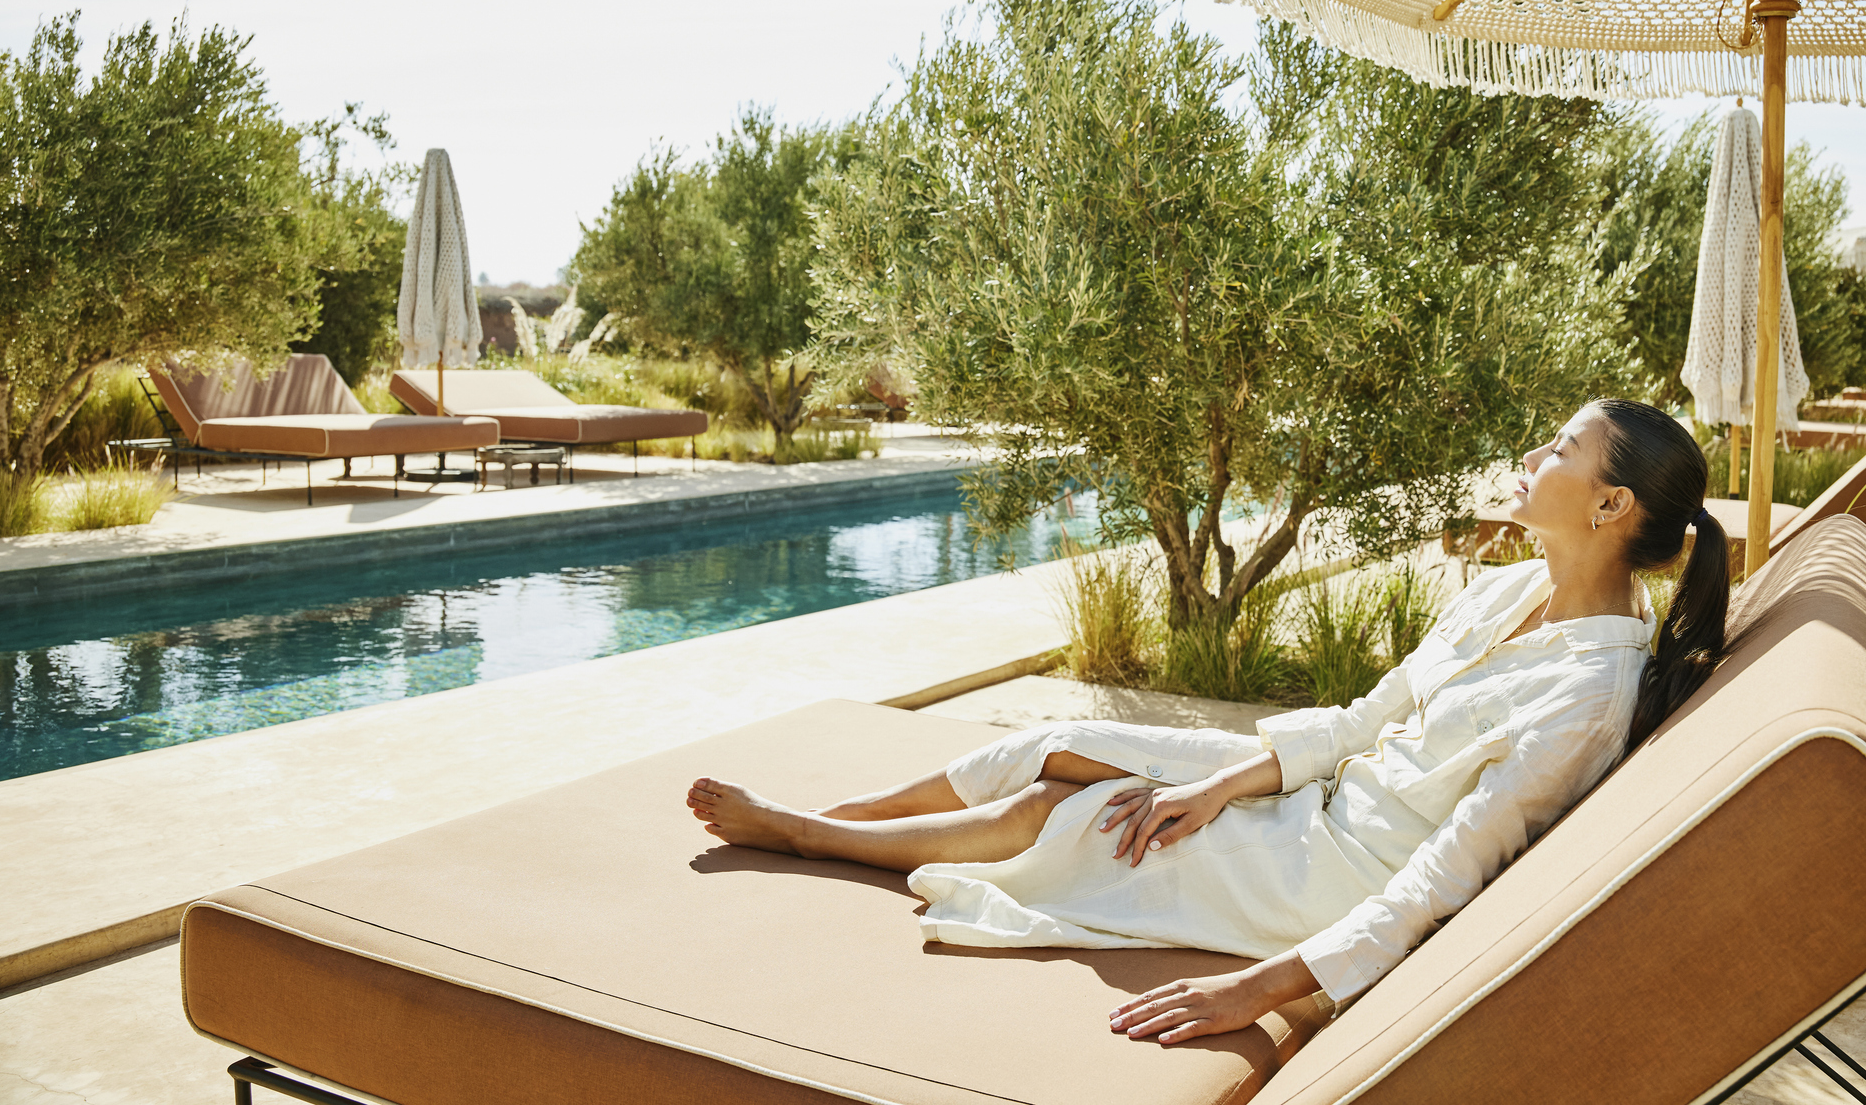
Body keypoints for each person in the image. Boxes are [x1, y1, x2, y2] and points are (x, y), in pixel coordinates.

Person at [686, 399, 1729, 1046]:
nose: (1530, 457)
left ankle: (811, 836)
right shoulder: (1509, 592)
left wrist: (1269, 986)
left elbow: (1446, 875)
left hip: (1331, 874)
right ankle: (836, 815)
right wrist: (1231, 778)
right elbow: (1367, 716)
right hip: (1314, 793)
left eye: (1560, 448)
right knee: (1051, 741)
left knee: (1077, 807)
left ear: (1609, 508)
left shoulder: (1585, 698)